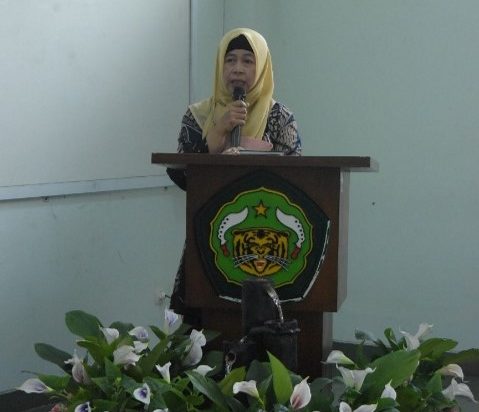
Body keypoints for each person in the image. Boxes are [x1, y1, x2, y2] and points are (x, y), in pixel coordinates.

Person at [167, 28, 302, 317]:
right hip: (210, 236)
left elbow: (297, 179)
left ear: (262, 67)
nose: (237, 69)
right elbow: (181, 176)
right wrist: (217, 133)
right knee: (200, 324)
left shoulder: (280, 118)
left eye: (247, 61)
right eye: (230, 60)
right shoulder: (198, 116)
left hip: (267, 240)